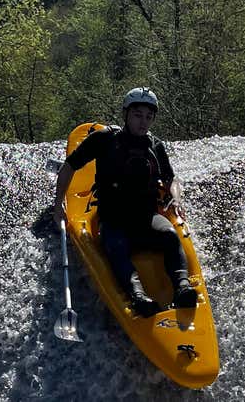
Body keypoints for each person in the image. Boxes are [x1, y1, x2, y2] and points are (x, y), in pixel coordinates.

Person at [52, 87, 196, 317]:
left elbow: (171, 179)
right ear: (126, 114)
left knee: (170, 235)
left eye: (149, 117)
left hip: (146, 217)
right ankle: (137, 295)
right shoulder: (104, 139)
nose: (143, 122)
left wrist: (176, 197)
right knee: (117, 245)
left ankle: (183, 288)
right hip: (114, 218)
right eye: (138, 115)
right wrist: (59, 202)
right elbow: (69, 166)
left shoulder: (155, 146)